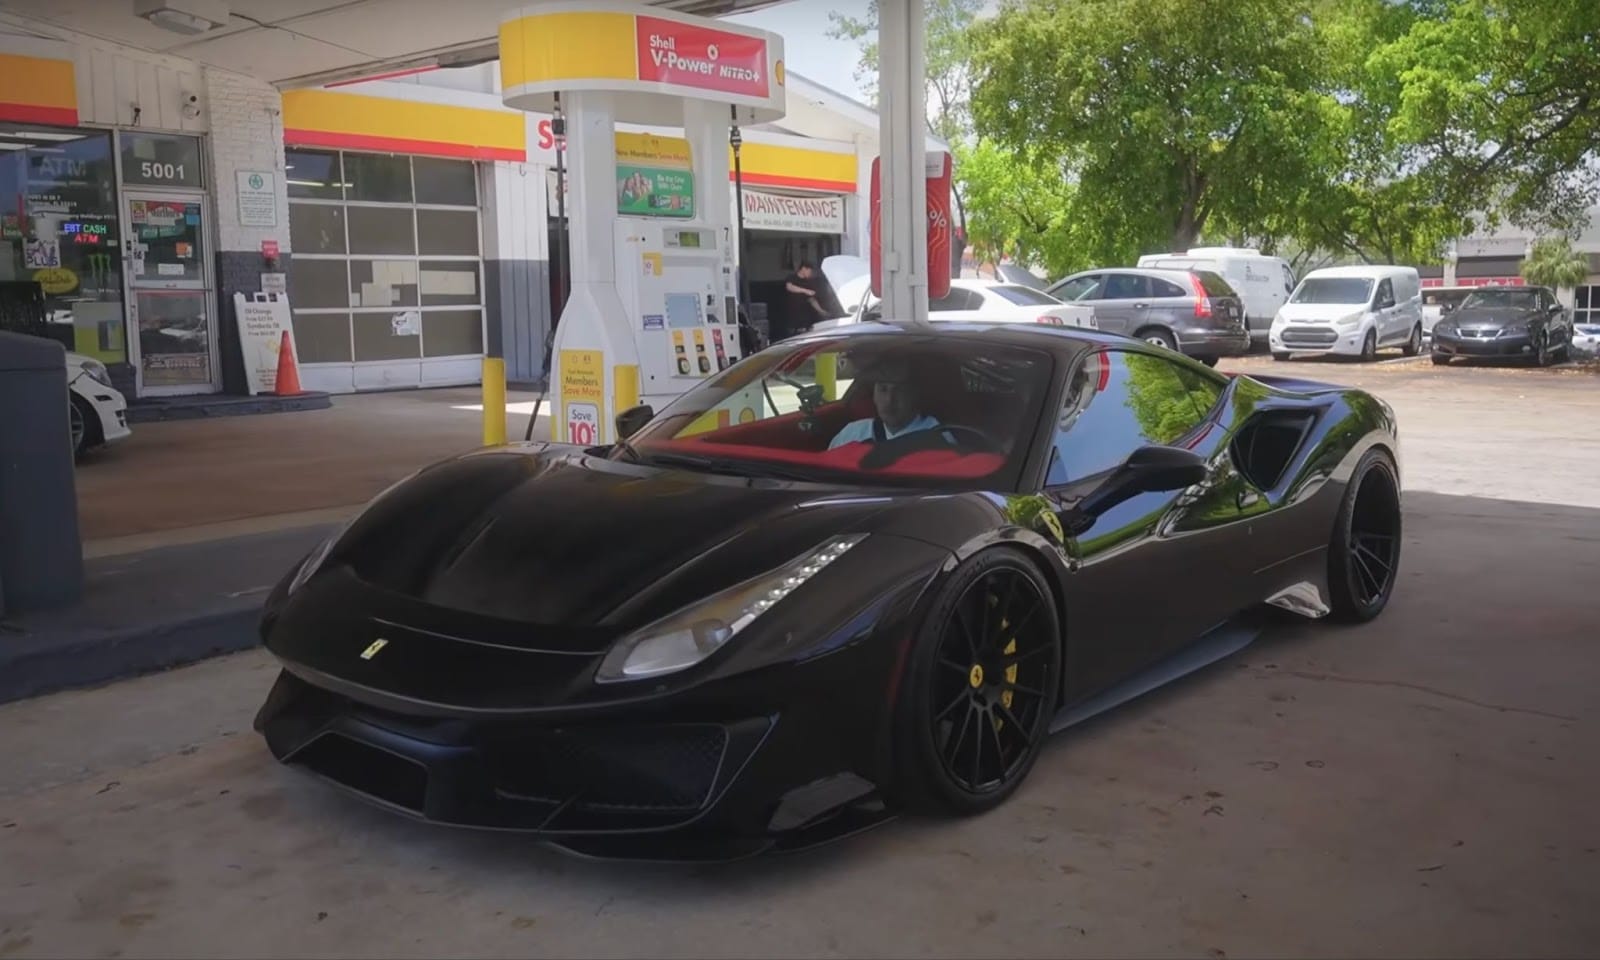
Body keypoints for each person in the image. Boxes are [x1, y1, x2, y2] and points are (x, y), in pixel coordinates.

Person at [828, 358, 943, 449]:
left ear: (914, 394)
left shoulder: (939, 437)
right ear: (873, 395)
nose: (889, 399)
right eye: (883, 389)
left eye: (900, 390)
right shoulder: (851, 434)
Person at [781, 261, 830, 340]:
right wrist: (805, 291)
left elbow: (811, 299)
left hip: (805, 317)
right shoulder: (791, 277)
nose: (810, 274)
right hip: (792, 315)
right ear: (803, 269)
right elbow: (789, 287)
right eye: (809, 271)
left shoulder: (809, 282)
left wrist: (821, 311)